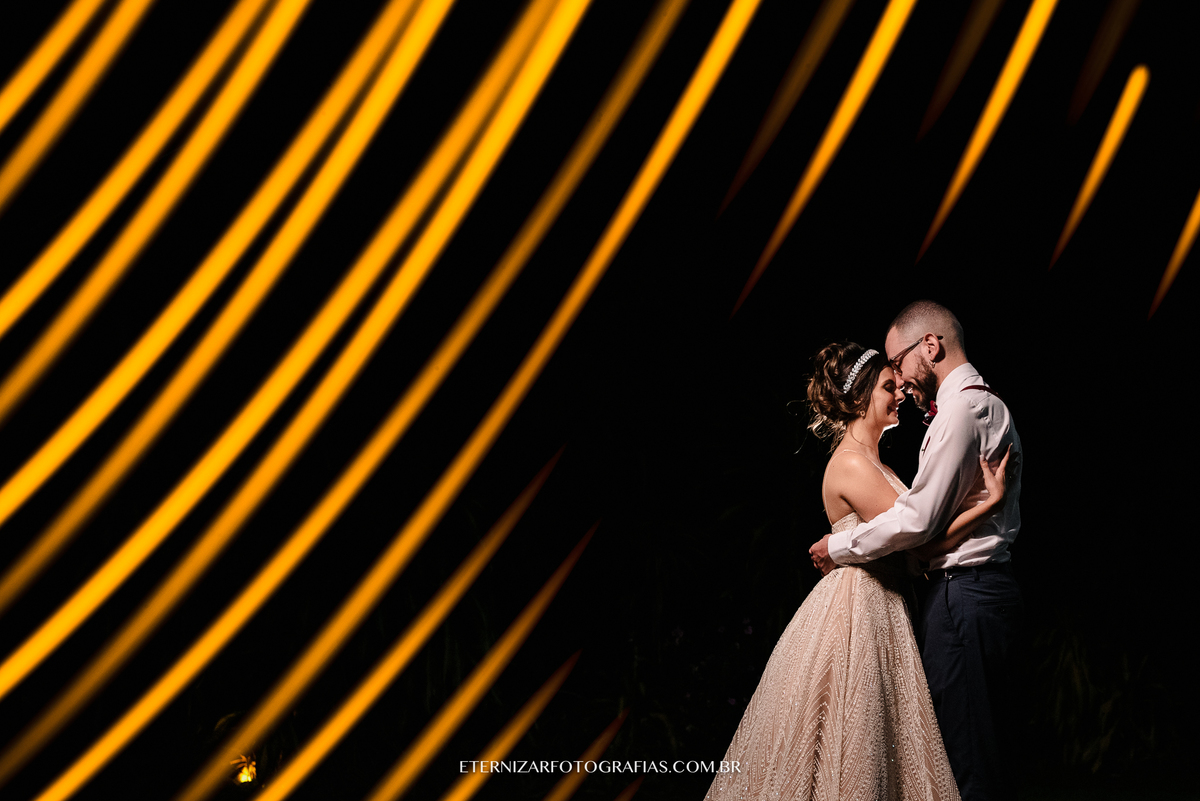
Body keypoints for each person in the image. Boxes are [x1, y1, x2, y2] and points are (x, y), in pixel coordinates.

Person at [705, 341, 1010, 801]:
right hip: (857, 611)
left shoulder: (875, 462)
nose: (901, 393)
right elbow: (921, 543)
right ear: (858, 399)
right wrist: (991, 504)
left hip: (883, 602)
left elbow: (914, 538)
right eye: (889, 387)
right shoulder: (851, 462)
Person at [809, 301, 1023, 801]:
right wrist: (988, 504)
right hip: (898, 604)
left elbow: (920, 527)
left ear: (930, 346)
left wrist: (840, 546)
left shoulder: (960, 408)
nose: (903, 383)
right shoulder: (979, 403)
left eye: (898, 365)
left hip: (960, 595)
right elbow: (921, 532)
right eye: (890, 382)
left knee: (965, 761)